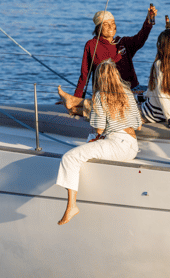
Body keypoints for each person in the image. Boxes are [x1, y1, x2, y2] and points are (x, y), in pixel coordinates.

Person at [56, 59, 141, 225]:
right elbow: (138, 125)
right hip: (132, 145)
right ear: (116, 75)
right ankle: (73, 104)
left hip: (117, 144)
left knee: (70, 158)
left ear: (99, 78)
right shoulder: (128, 93)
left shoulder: (100, 96)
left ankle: (72, 206)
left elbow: (100, 130)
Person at [58, 6, 156, 117]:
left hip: (132, 89)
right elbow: (85, 75)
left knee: (155, 95)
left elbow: (140, 38)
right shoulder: (91, 45)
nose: (111, 26)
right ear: (98, 28)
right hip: (106, 92)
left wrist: (149, 20)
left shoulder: (122, 42)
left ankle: (77, 104)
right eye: (105, 24)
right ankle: (77, 103)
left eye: (113, 23)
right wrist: (78, 96)